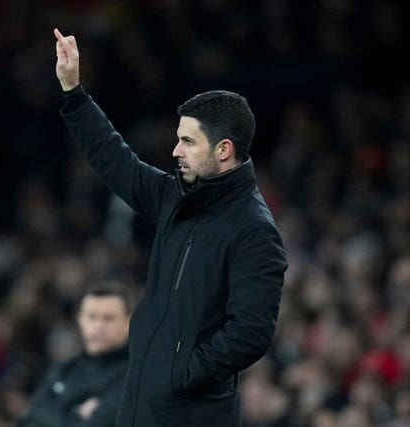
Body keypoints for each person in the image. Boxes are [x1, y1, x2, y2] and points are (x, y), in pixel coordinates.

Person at [53, 28, 288, 427]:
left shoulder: (254, 230)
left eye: (188, 142)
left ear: (223, 150)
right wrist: (74, 93)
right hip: (142, 403)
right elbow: (116, 160)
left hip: (193, 414)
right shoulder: (176, 197)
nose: (175, 150)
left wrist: (182, 374)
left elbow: (250, 333)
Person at [19, 280, 131, 427]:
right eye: (92, 317)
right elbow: (29, 417)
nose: (99, 326)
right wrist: (73, 414)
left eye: (108, 318)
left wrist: (54, 410)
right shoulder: (66, 368)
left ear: (128, 322)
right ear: (80, 320)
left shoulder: (134, 374)